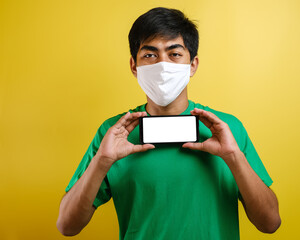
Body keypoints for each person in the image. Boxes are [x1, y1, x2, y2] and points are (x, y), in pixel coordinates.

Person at [56, 7, 281, 239]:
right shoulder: (114, 134)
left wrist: (234, 156)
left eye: (174, 54)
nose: (163, 66)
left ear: (192, 65)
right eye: (150, 55)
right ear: (134, 66)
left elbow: (270, 222)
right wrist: (102, 161)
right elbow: (67, 226)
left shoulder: (228, 129)